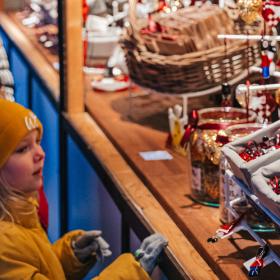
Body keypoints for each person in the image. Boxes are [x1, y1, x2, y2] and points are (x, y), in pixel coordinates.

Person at [0, 99, 168, 279]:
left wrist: (70, 255)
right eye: (22, 149)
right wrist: (133, 272)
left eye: (37, 141)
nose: (40, 153)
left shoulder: (18, 212)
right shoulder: (4, 244)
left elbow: (35, 265)